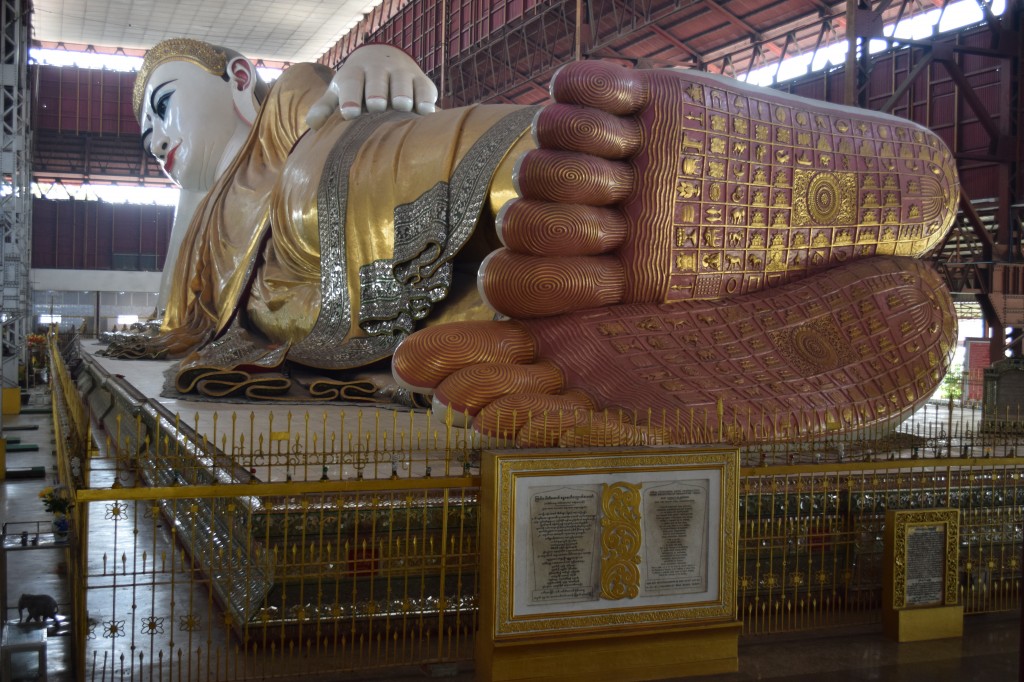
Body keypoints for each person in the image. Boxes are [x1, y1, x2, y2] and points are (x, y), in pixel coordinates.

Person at [116, 38, 959, 445]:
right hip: (346, 309)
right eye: (145, 135)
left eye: (160, 105)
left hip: (344, 192)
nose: (155, 141)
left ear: (233, 80)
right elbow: (180, 322)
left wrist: (370, 60)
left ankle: (579, 170)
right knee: (488, 323)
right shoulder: (202, 237)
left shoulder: (278, 114)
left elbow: (315, 95)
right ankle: (651, 301)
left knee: (325, 187)